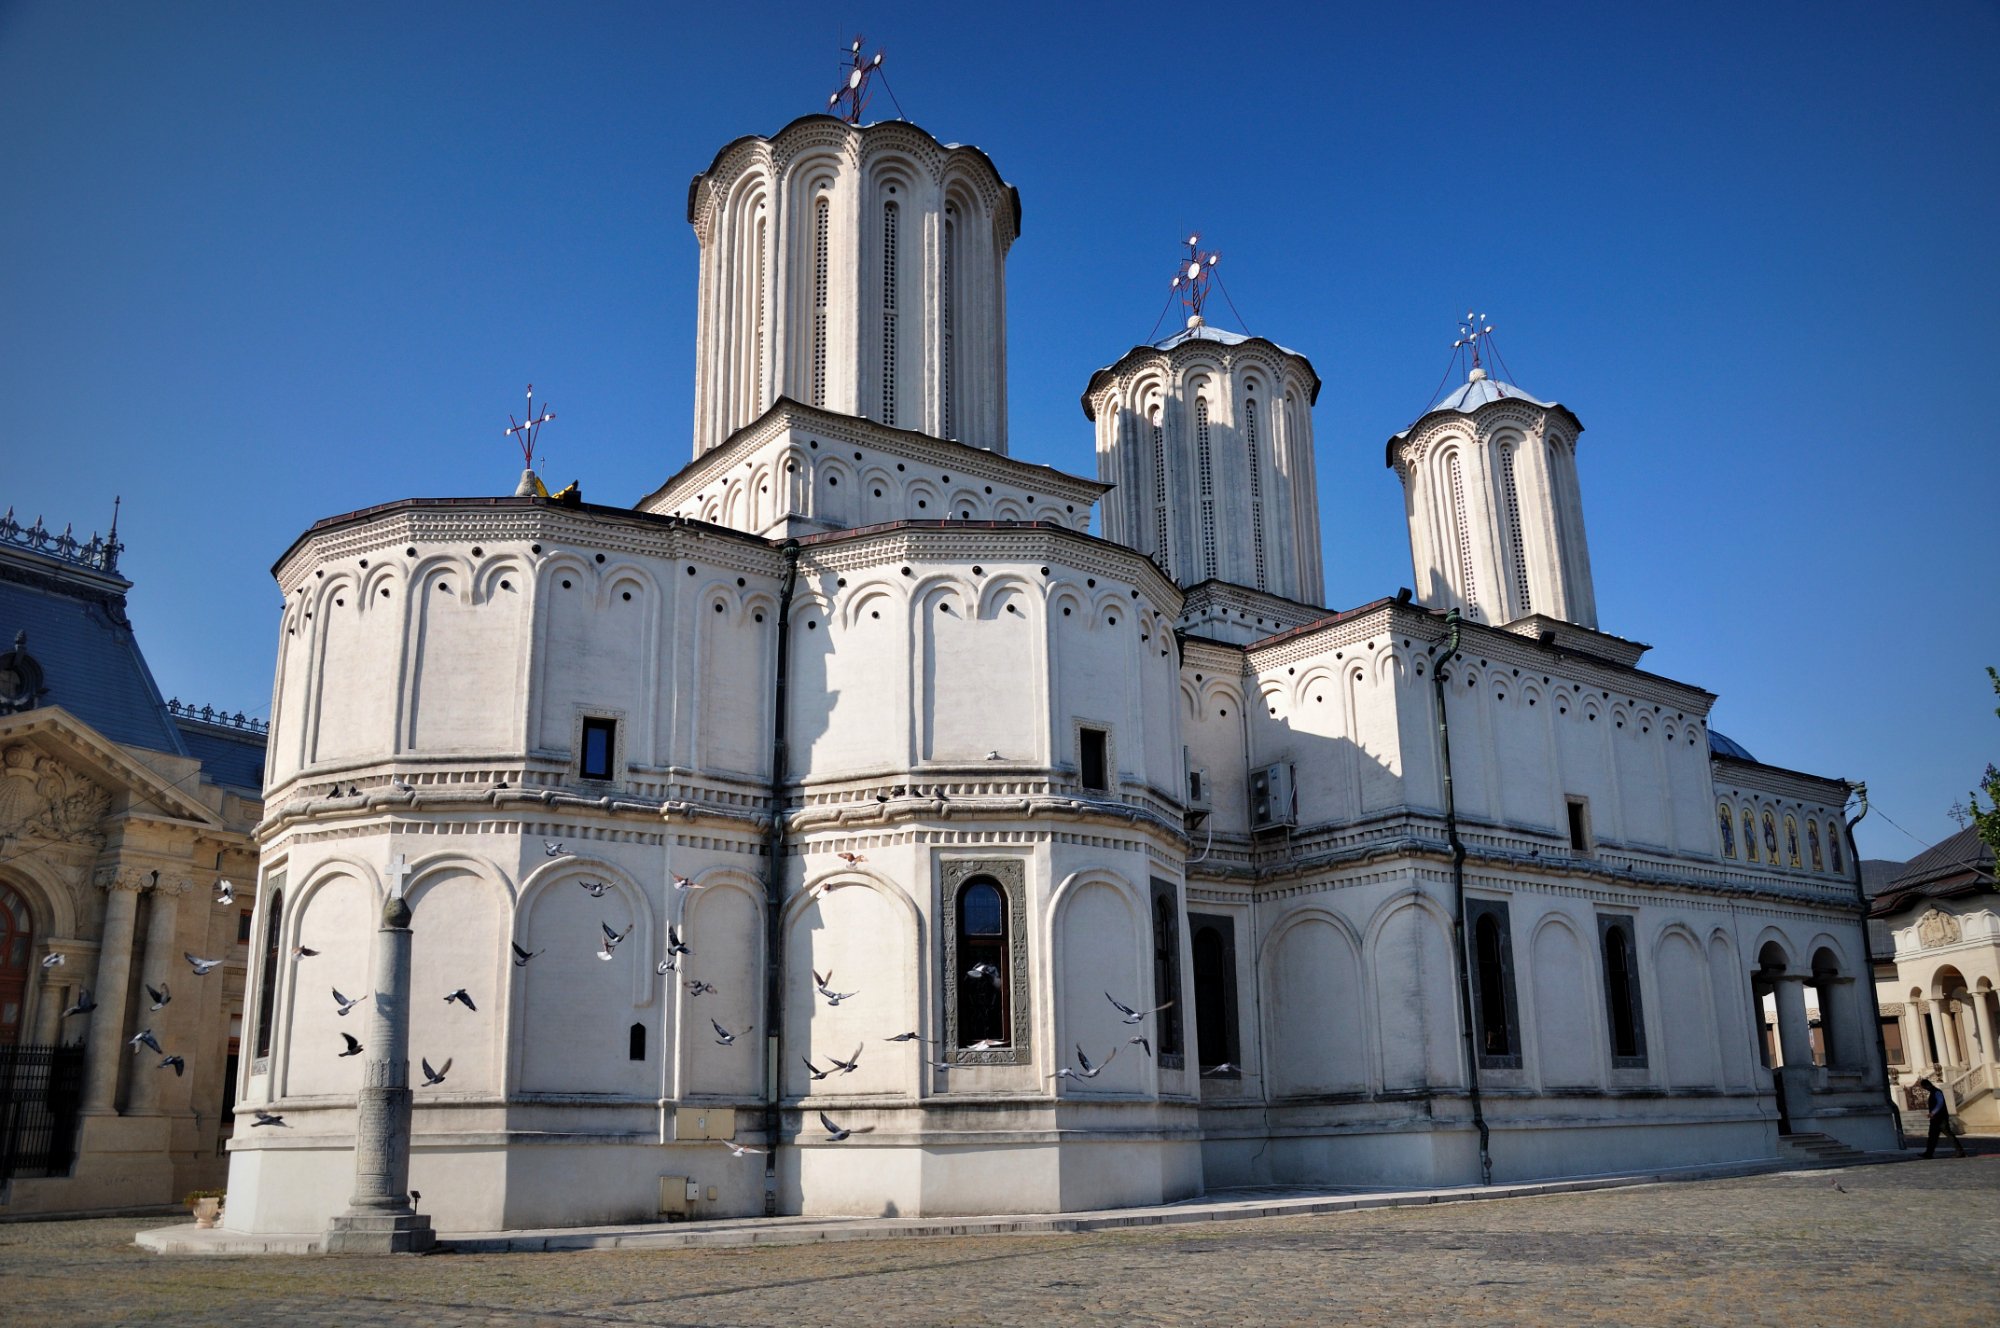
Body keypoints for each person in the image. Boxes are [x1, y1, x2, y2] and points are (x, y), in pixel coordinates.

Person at [1918, 1077, 1967, 1159]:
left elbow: (1940, 1103)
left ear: (1927, 1085)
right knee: (1932, 1136)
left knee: (1949, 1135)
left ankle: (1960, 1152)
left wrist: (1933, 1112)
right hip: (1935, 1119)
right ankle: (1929, 1153)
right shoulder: (1933, 1092)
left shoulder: (1937, 1092)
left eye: (1924, 1087)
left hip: (1941, 1119)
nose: (1925, 1089)